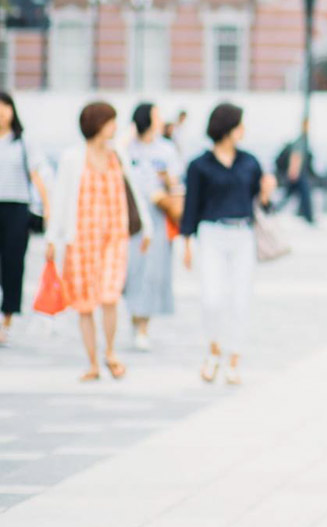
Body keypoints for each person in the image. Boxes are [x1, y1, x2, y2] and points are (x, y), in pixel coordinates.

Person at [47, 101, 144, 381]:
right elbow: (61, 198)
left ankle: (110, 352)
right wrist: (53, 238)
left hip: (114, 237)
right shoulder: (72, 158)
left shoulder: (119, 155)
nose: (114, 127)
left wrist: (146, 228)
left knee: (110, 295)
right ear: (97, 124)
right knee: (85, 302)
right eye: (110, 121)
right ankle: (92, 362)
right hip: (81, 239)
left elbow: (134, 193)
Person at [180, 103, 276, 385]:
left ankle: (234, 358)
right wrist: (186, 243)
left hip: (242, 234)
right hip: (211, 233)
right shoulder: (199, 165)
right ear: (226, 128)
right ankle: (213, 350)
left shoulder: (250, 162)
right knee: (211, 298)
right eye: (239, 125)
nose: (243, 130)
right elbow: (191, 207)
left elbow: (264, 206)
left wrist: (267, 193)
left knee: (240, 299)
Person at [124, 103, 183, 351]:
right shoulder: (128, 148)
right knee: (131, 269)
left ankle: (143, 324)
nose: (160, 120)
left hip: (157, 217)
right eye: (156, 115)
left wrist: (168, 185)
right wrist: (128, 135)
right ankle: (133, 315)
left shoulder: (167, 149)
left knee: (151, 272)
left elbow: (177, 183)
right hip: (130, 216)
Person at [0, 93, 49, 346]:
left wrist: (47, 209)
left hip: (16, 208)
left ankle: (6, 321)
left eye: (5, 107)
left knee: (12, 264)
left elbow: (38, 175)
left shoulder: (23, 143)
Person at [274, 117, 317, 225]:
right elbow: (296, 156)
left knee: (288, 195)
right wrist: (293, 172)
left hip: (296, 174)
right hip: (297, 174)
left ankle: (274, 210)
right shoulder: (301, 140)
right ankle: (308, 217)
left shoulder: (303, 140)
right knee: (304, 194)